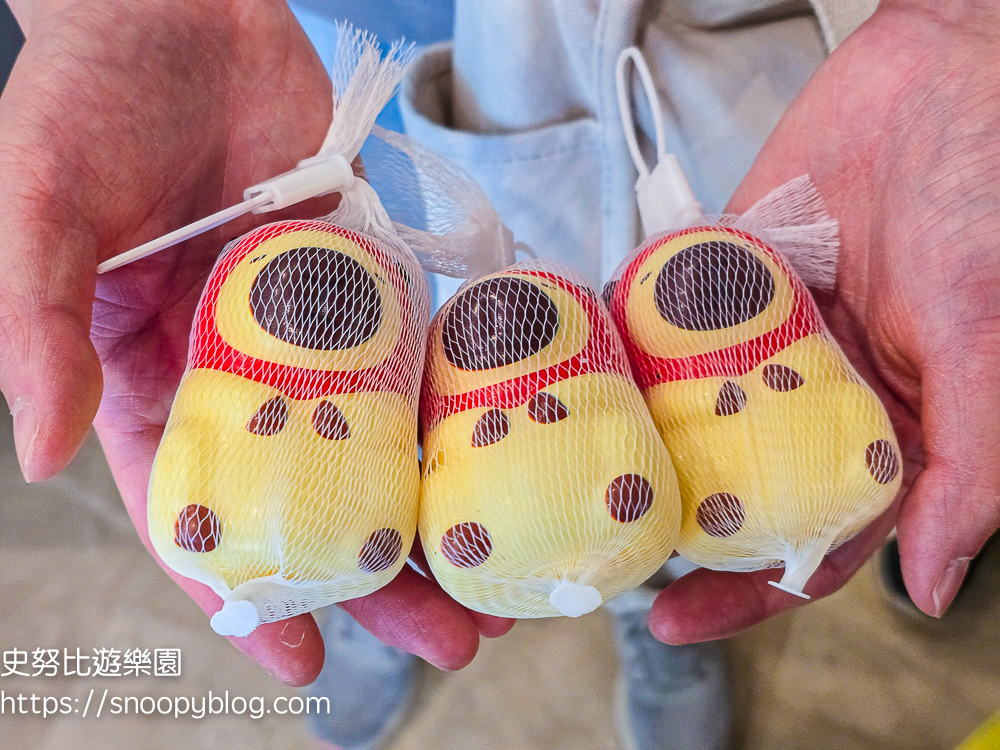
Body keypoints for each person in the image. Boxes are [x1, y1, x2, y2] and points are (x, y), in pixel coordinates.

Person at [0, 0, 998, 748]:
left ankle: (633, 585)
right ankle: (360, 559)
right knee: (417, 372)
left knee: (663, 426)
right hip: (313, 58)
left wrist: (964, 24)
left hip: (735, 48)